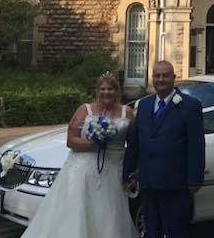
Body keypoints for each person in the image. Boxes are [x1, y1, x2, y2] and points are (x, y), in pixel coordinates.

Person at [21, 72, 138, 238]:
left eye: (111, 89)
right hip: (84, 171)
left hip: (114, 171)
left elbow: (134, 144)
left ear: (117, 91)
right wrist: (95, 143)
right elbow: (71, 141)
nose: (107, 92)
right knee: (79, 213)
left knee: (110, 212)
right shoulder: (85, 110)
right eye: (103, 89)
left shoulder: (127, 113)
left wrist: (132, 172)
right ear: (97, 90)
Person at [123, 60, 205, 238]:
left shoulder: (190, 106)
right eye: (157, 75)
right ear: (152, 78)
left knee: (176, 231)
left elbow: (196, 145)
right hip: (148, 184)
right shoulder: (143, 105)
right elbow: (135, 143)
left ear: (174, 78)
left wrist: (194, 180)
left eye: (165, 75)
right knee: (152, 231)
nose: (161, 79)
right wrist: (128, 173)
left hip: (176, 184)